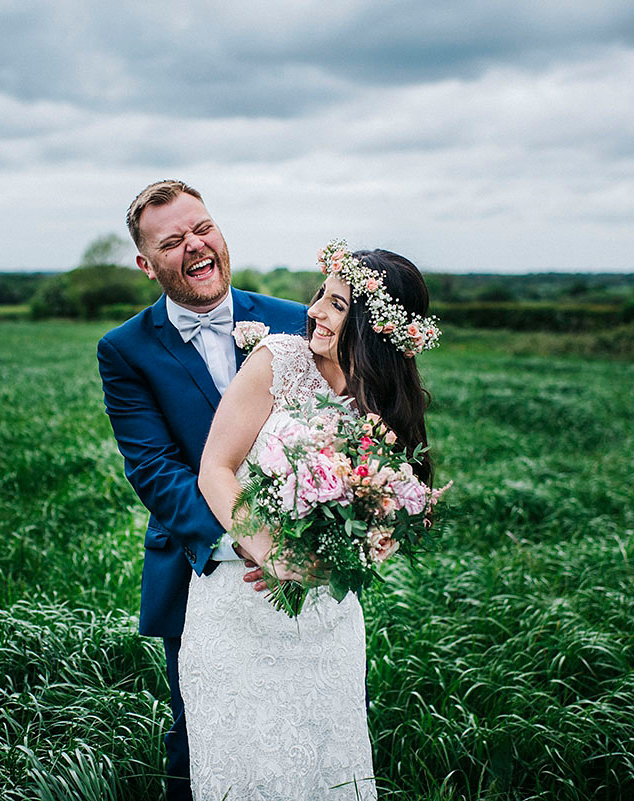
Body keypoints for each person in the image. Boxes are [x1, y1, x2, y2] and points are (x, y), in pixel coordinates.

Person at [182, 245, 437, 800]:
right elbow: (215, 470)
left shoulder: (387, 402)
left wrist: (342, 557)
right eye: (320, 295)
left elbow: (390, 510)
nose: (315, 310)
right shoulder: (278, 360)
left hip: (327, 618)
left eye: (338, 304)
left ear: (373, 326)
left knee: (327, 768)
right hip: (239, 609)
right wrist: (273, 554)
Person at [97, 180, 308, 799]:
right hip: (201, 568)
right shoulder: (126, 350)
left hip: (304, 558)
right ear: (146, 263)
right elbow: (155, 471)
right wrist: (249, 539)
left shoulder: (294, 321)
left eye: (203, 228)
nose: (195, 245)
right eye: (172, 241)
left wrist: (312, 538)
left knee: (299, 720)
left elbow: (339, 431)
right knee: (203, 730)